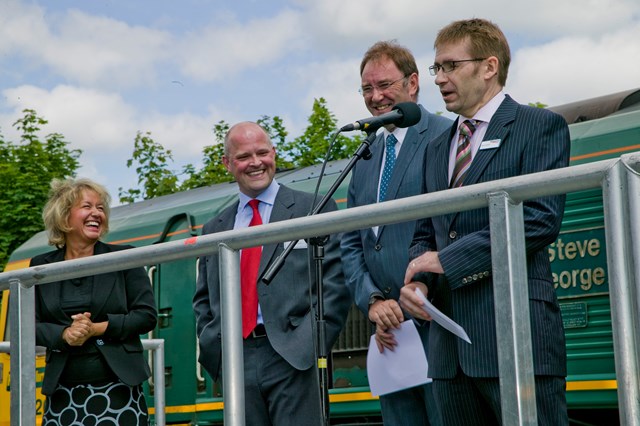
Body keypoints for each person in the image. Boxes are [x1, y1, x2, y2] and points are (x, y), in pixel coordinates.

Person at [400, 18, 570, 426]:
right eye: (435, 68)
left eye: (450, 66)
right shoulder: (437, 146)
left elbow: (539, 219)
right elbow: (426, 231)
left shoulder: (539, 127)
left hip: (515, 336)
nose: (439, 79)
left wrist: (447, 260)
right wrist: (418, 283)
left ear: (489, 66)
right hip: (449, 350)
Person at [192, 121, 351, 426]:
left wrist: (309, 342)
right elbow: (204, 300)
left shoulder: (313, 209)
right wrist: (217, 346)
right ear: (227, 163)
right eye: (243, 156)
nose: (255, 163)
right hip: (236, 357)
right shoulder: (215, 228)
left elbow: (335, 283)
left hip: (295, 356)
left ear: (273, 153)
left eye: (262, 152)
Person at [340, 40, 452, 425]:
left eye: (385, 85)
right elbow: (351, 240)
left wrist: (411, 297)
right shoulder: (367, 153)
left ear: (414, 83)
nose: (376, 97)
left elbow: (449, 228)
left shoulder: (445, 136)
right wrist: (373, 302)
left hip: (438, 321)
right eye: (367, 89)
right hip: (389, 333)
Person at [32, 178, 158, 425]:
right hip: (62, 393)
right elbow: (26, 325)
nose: (96, 213)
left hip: (119, 389)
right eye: (87, 206)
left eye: (101, 208)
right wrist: (65, 334)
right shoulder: (40, 266)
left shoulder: (123, 257)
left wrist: (96, 329)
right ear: (64, 215)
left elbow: (146, 315)